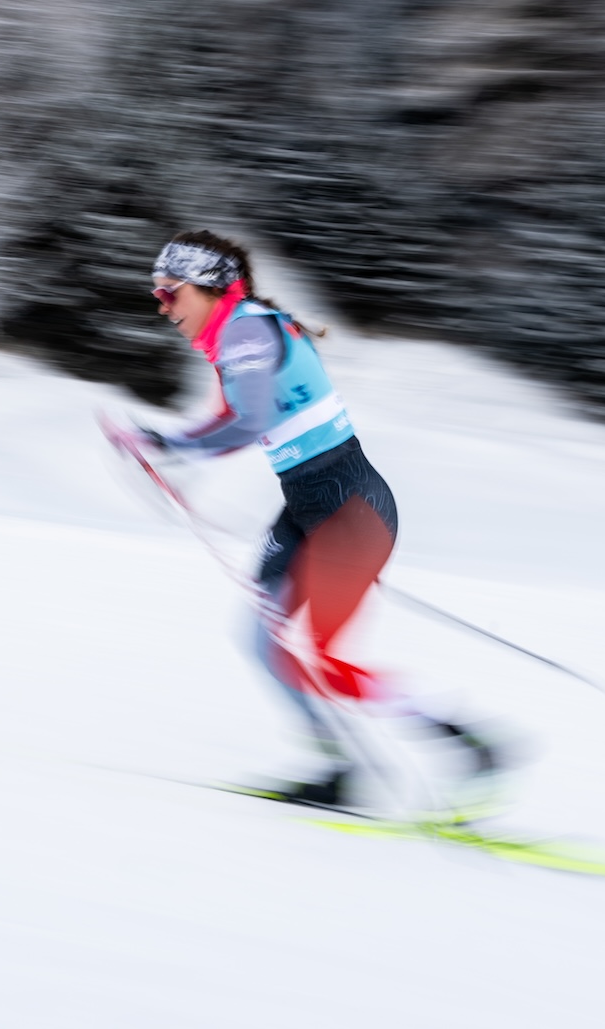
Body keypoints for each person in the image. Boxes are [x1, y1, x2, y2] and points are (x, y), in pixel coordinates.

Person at [112, 230, 495, 809]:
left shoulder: (247, 331)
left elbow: (248, 422)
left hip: (349, 513)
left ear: (211, 288)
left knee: (328, 662)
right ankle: (338, 770)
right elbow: (227, 418)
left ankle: (475, 746)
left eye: (171, 293)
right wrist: (159, 441)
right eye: (158, 294)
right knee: (264, 642)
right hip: (310, 509)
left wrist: (170, 446)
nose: (162, 306)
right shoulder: (235, 335)